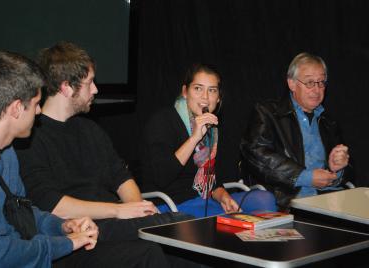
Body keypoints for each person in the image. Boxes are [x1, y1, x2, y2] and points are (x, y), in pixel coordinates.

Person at [15, 42, 192, 244]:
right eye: (90, 82)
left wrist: (137, 209)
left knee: (182, 233)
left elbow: (122, 178)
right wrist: (118, 211)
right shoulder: (31, 138)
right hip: (82, 232)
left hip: (115, 225)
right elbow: (53, 206)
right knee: (179, 231)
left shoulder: (91, 130)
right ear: (66, 87)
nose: (96, 89)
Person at [0, 51, 100, 267]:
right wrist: (66, 243)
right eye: (36, 103)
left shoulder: (6, 150)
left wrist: (63, 226)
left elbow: (22, 214)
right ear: (17, 109)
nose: (39, 111)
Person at [141, 63, 277, 218]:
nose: (205, 97)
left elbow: (212, 181)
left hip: (203, 199)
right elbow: (161, 176)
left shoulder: (212, 129)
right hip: (172, 203)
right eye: (198, 88)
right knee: (226, 218)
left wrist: (224, 197)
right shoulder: (162, 121)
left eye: (212, 90)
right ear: (185, 92)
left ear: (218, 98)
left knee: (263, 199)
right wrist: (194, 138)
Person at [240, 52, 352, 210]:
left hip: (331, 198)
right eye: (310, 82)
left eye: (321, 82)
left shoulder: (329, 122)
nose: (317, 89)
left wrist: (338, 170)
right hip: (288, 200)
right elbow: (255, 153)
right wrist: (306, 177)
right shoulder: (268, 113)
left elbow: (351, 169)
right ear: (291, 84)